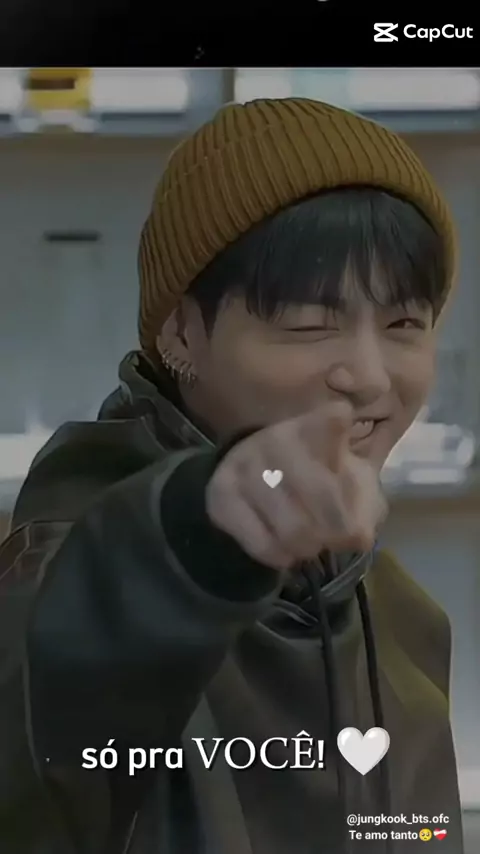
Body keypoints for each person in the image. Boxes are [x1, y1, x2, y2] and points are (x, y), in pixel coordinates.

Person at [0, 97, 463, 853]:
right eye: (308, 324)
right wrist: (199, 532)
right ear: (182, 332)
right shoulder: (74, 578)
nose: (370, 377)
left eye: (404, 324)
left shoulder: (406, 619)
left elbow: (417, 833)